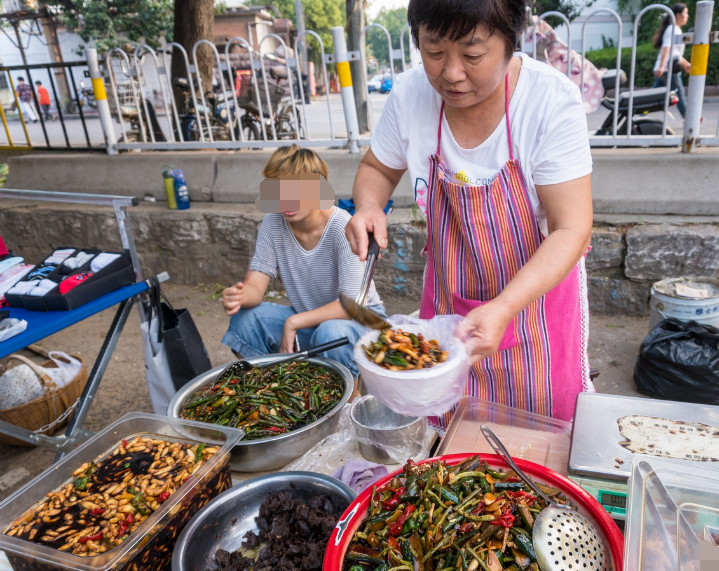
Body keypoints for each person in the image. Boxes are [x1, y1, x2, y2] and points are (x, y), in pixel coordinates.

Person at [345, 0, 594, 425]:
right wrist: (369, 205)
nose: (451, 73)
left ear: (511, 40)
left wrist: (502, 308)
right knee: (447, 436)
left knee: (539, 441)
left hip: (535, 311)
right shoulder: (409, 94)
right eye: (434, 51)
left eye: (472, 54)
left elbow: (571, 228)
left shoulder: (549, 101)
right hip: (449, 301)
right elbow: (376, 168)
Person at [221, 145, 385, 379]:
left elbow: (351, 307)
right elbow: (255, 288)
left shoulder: (342, 226)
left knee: (331, 333)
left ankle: (348, 405)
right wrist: (238, 296)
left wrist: (293, 322)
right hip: (310, 320)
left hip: (359, 322)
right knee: (245, 319)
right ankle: (274, 390)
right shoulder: (272, 224)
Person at [652, 3, 690, 118]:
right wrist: (662, 66)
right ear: (678, 15)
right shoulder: (673, 29)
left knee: (653, 95)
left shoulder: (675, 29)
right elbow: (666, 48)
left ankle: (635, 111)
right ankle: (689, 118)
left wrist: (685, 63)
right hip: (669, 69)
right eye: (686, 13)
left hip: (668, 67)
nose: (687, 16)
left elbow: (674, 52)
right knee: (679, 93)